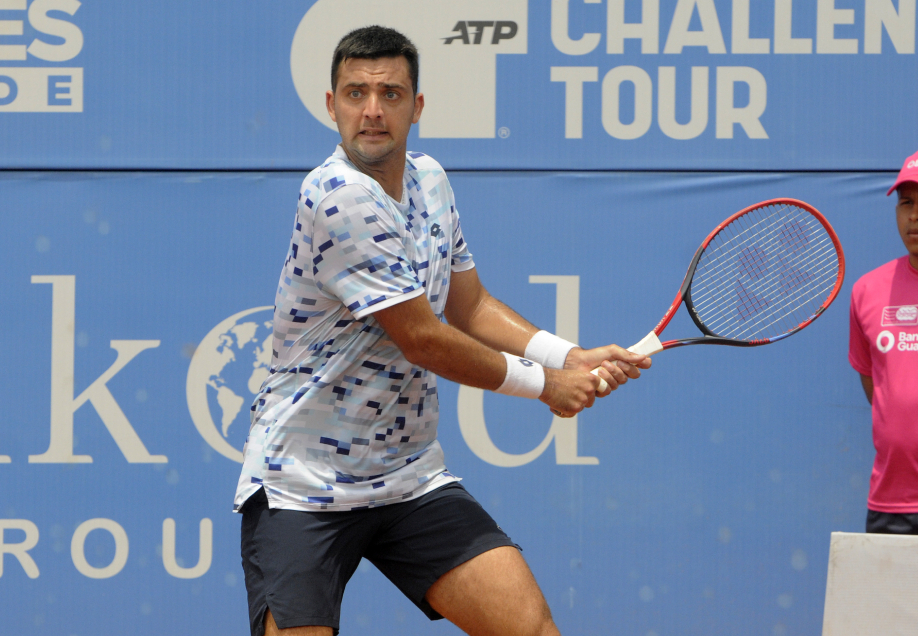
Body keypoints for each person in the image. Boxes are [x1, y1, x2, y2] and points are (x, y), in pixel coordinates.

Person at [234, 26, 650, 636]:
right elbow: (423, 338)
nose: (372, 110)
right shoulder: (337, 196)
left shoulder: (430, 180)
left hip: (408, 478)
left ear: (417, 107)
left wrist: (570, 355)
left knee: (530, 629)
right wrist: (547, 385)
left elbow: (471, 305)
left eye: (391, 94)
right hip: (304, 485)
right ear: (331, 106)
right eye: (355, 94)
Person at [849, 147, 918, 536]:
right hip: (890, 504)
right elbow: (876, 385)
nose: (915, 215)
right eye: (906, 202)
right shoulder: (868, 291)